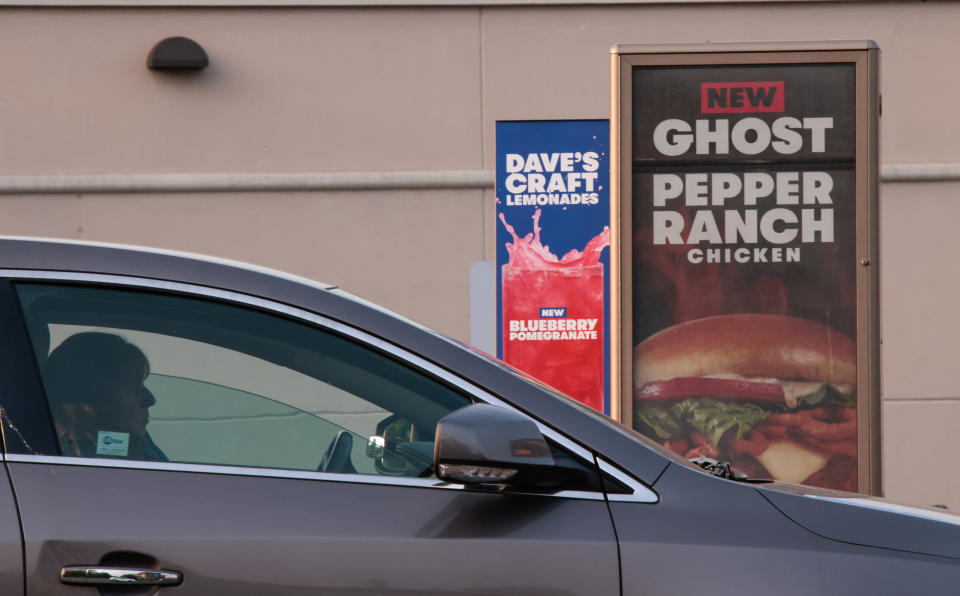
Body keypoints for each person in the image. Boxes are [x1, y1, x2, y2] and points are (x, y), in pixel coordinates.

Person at [42, 332, 168, 461]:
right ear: (88, 401)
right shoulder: (69, 460)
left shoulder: (130, 444)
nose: (150, 399)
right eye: (133, 388)